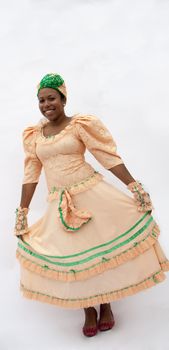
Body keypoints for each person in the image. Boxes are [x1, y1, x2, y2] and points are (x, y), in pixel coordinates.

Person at [14, 73, 169, 337]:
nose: (45, 104)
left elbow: (106, 156)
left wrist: (134, 186)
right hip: (60, 204)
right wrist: (23, 211)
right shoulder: (34, 135)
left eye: (51, 98)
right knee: (72, 256)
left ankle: (106, 304)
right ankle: (88, 310)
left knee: (97, 252)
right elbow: (31, 174)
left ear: (63, 99)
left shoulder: (80, 124)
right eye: (41, 100)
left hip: (90, 193)